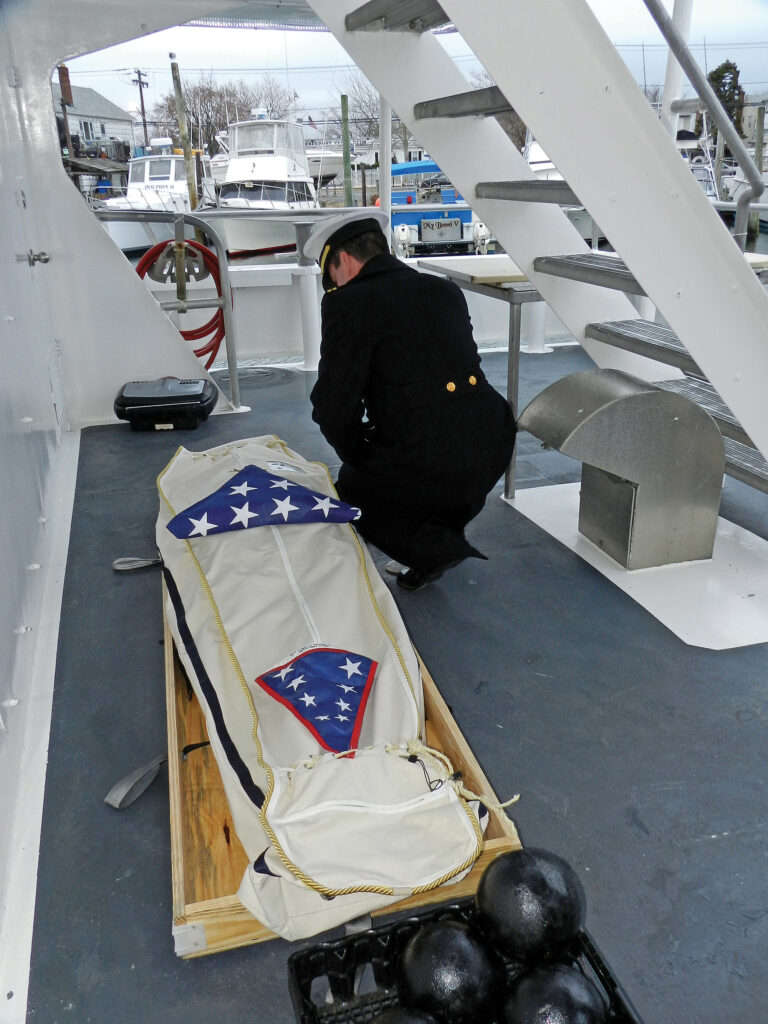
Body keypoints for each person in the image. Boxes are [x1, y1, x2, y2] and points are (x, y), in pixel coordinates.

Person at [305, 209, 517, 591]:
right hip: (492, 438)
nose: (334, 285)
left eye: (331, 276)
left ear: (345, 261)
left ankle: (432, 550)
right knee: (434, 465)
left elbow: (334, 408)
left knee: (352, 491)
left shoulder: (347, 303)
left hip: (433, 454)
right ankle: (436, 541)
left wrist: (361, 456)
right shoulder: (443, 289)